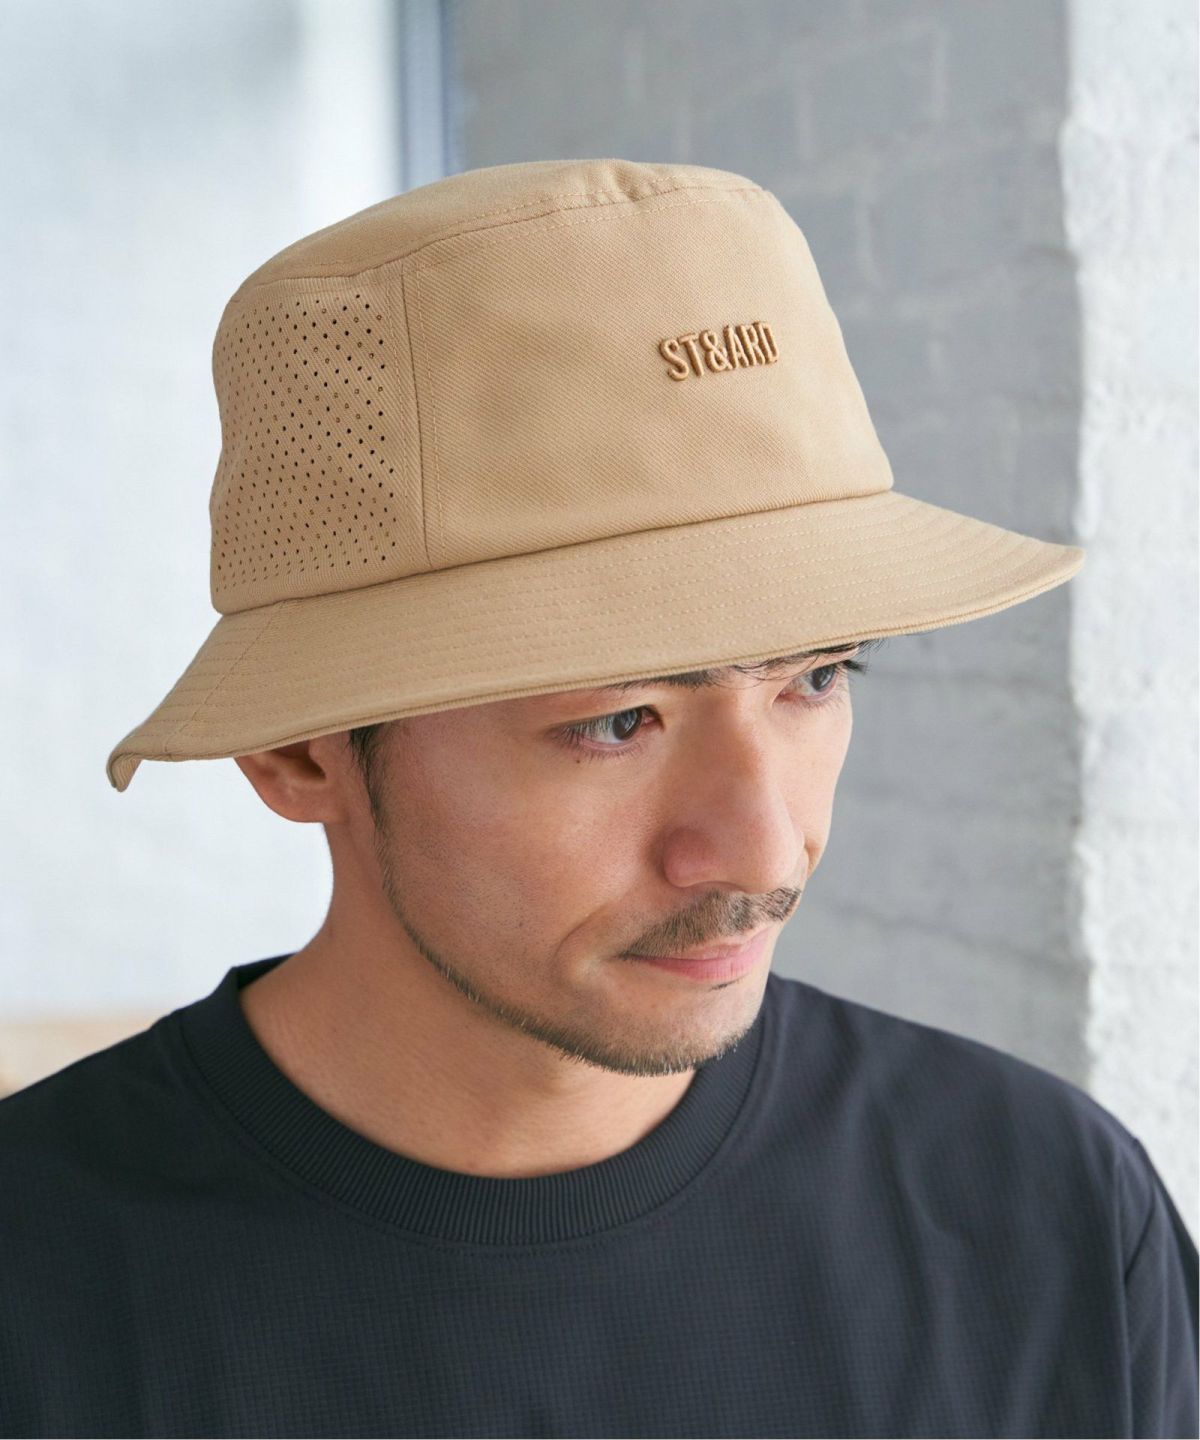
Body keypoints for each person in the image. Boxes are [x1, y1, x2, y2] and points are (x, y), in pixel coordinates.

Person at [2, 158, 1195, 1439]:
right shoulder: (39, 1289)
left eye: (814, 678)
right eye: (618, 722)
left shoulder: (1045, 1214)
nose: (764, 850)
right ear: (301, 754)